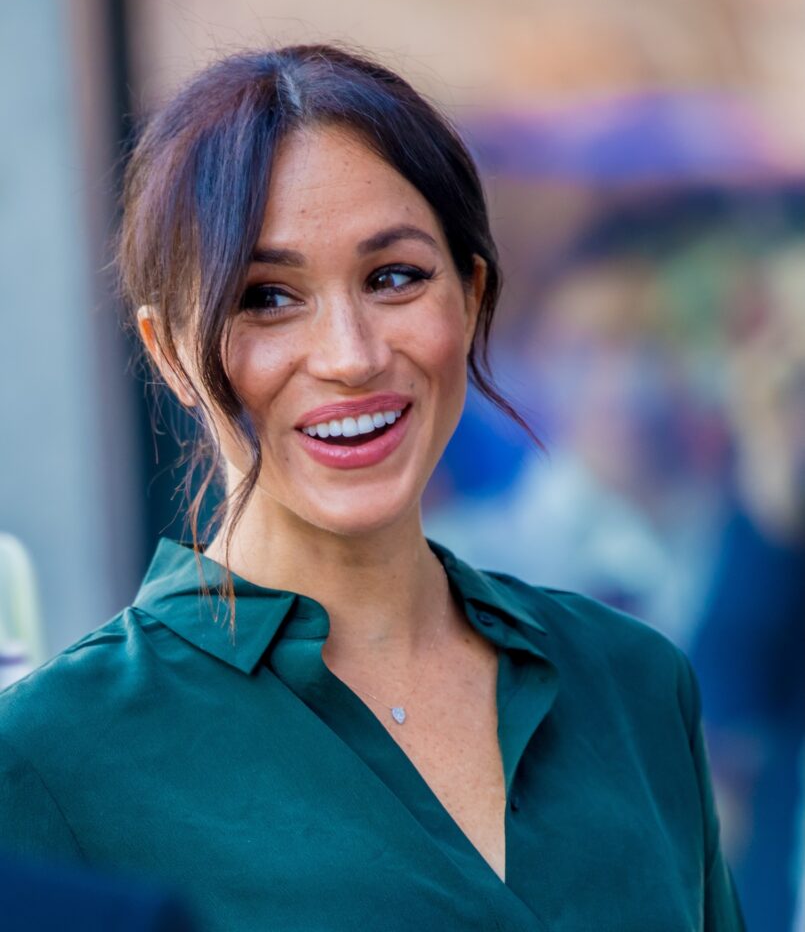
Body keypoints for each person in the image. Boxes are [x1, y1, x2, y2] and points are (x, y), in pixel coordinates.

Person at [0, 45, 745, 931]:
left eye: (393, 278)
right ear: (169, 355)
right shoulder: (51, 760)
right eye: (266, 297)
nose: (350, 356)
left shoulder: (633, 684)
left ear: (470, 296)